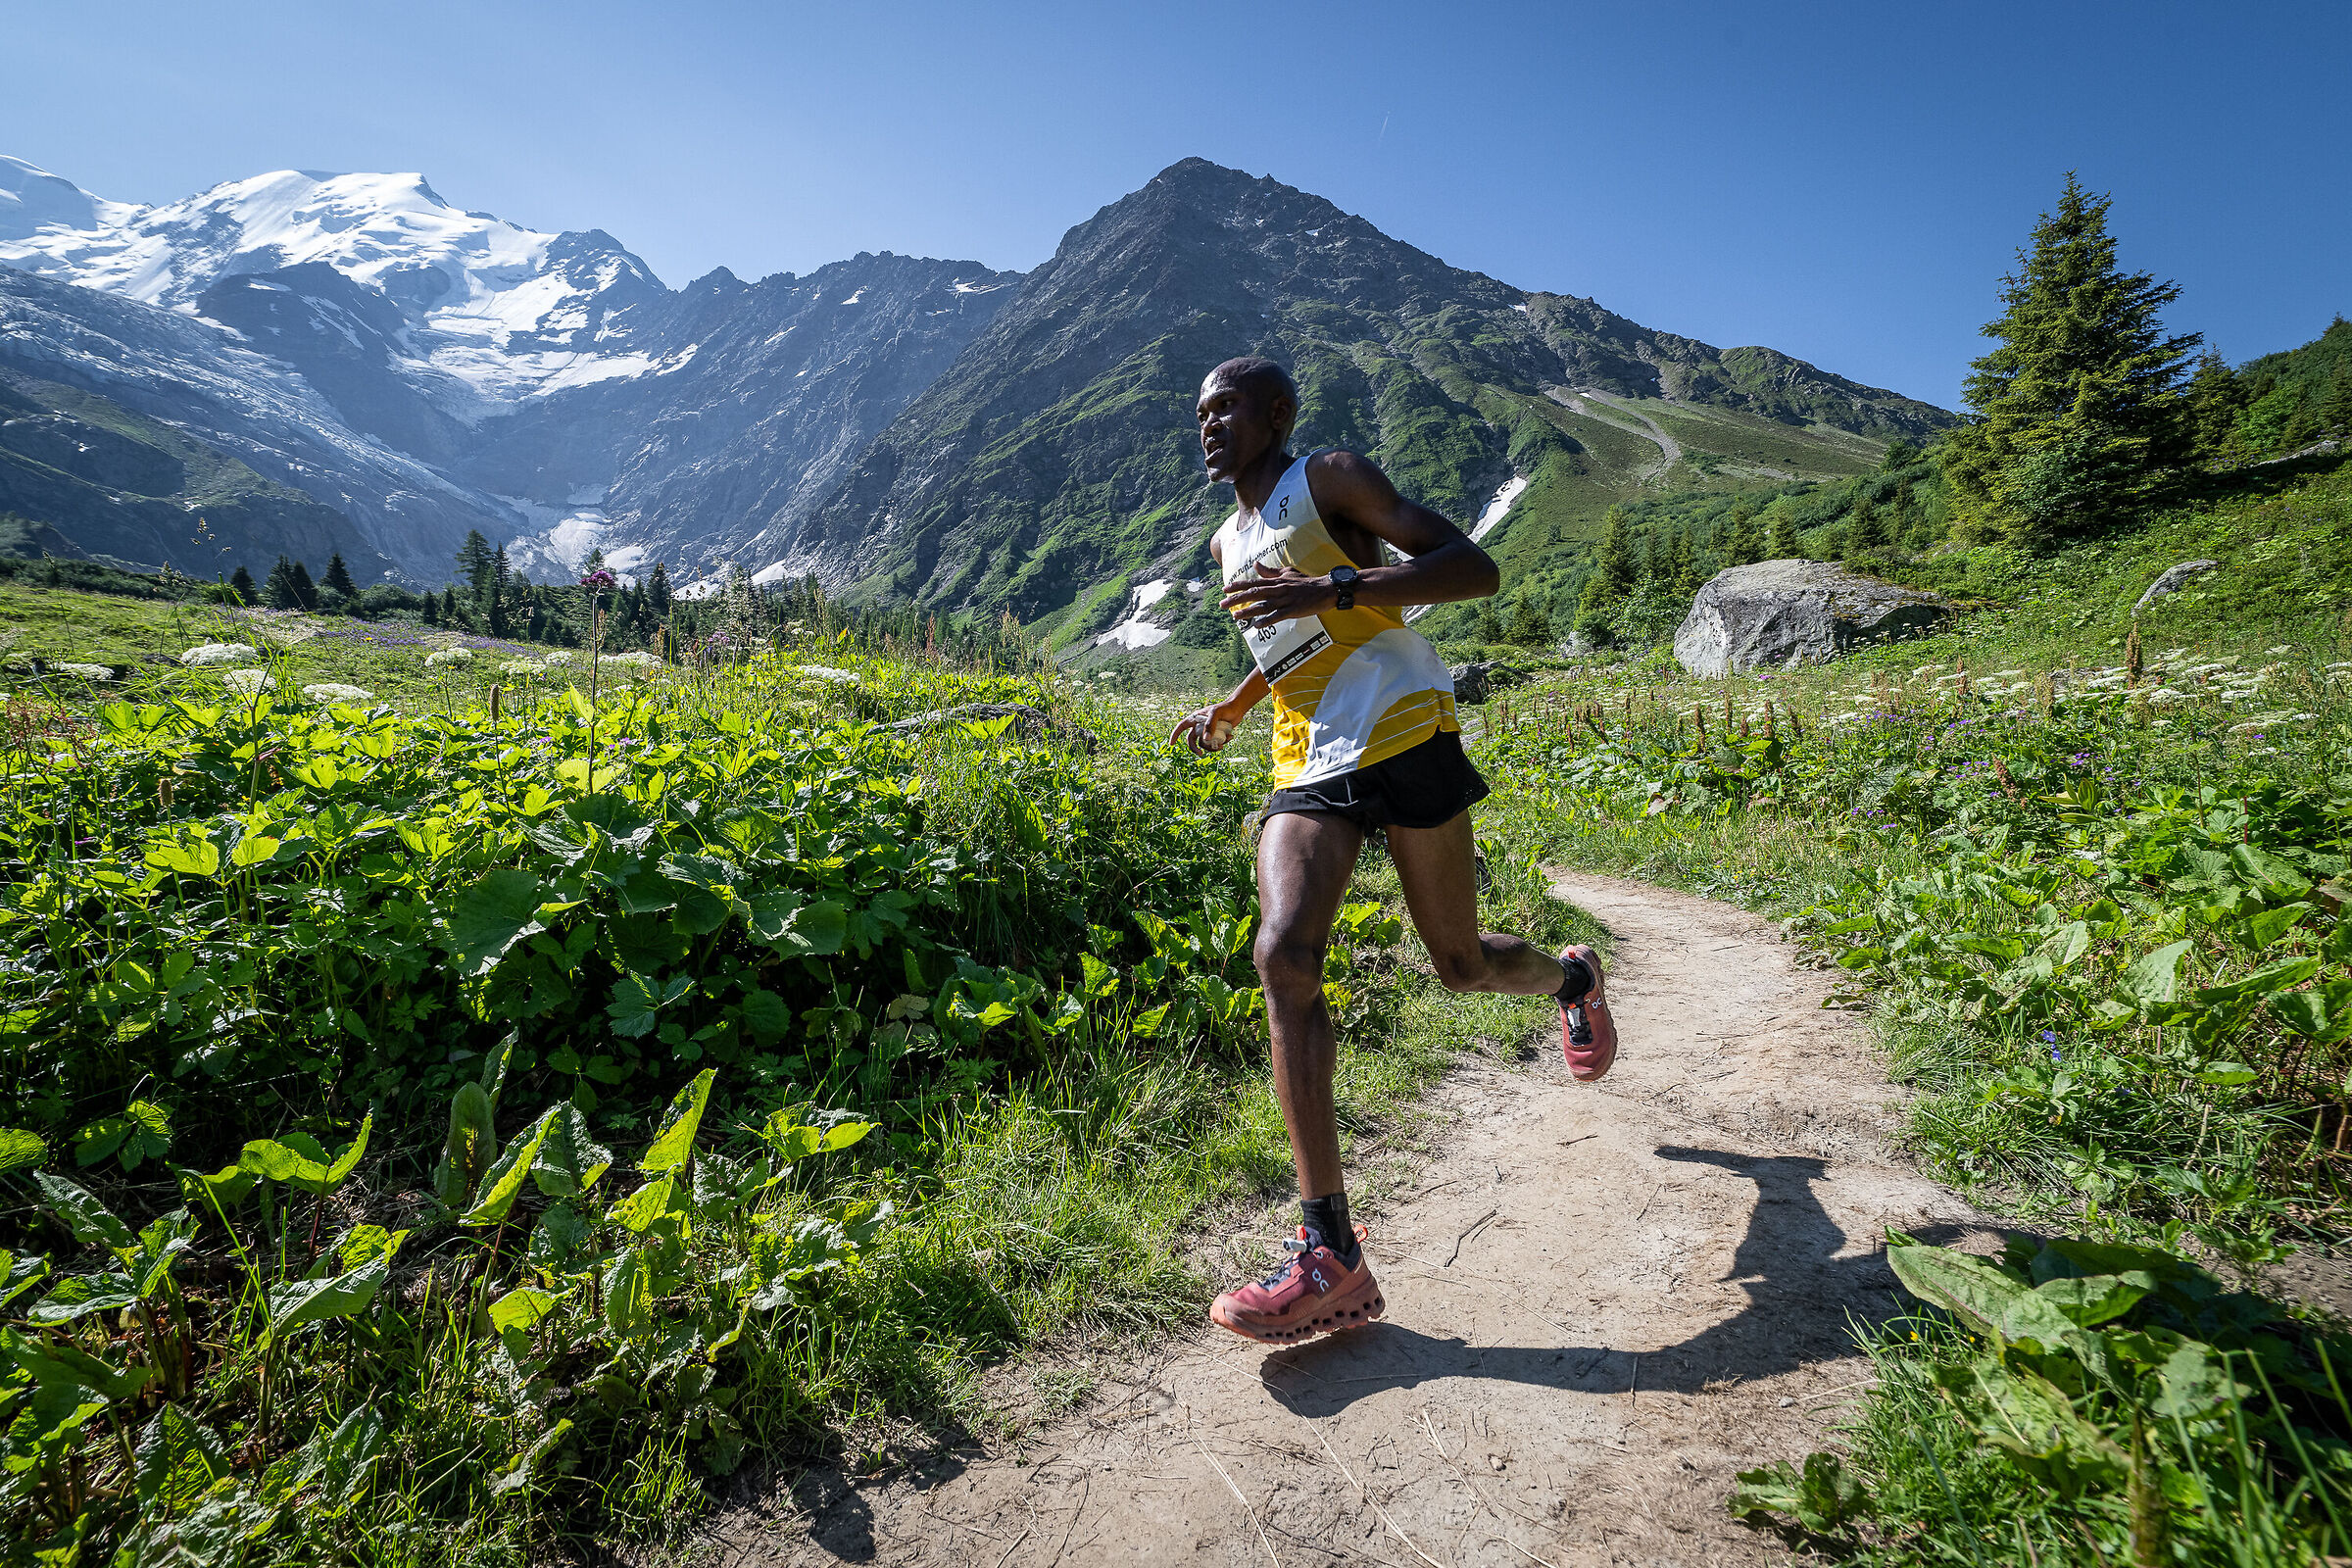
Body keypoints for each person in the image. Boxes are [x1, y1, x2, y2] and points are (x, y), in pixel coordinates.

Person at [1170, 357, 1619, 1347]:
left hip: (1404, 722)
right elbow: (1277, 639)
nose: (1209, 426)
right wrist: (1230, 707)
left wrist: (1338, 581)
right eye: (1200, 413)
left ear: (1276, 414)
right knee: (1282, 952)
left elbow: (1470, 568)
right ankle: (1328, 1248)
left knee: (1459, 966)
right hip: (1308, 754)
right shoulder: (1225, 537)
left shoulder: (1327, 477)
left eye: (1228, 408)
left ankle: (1570, 979)